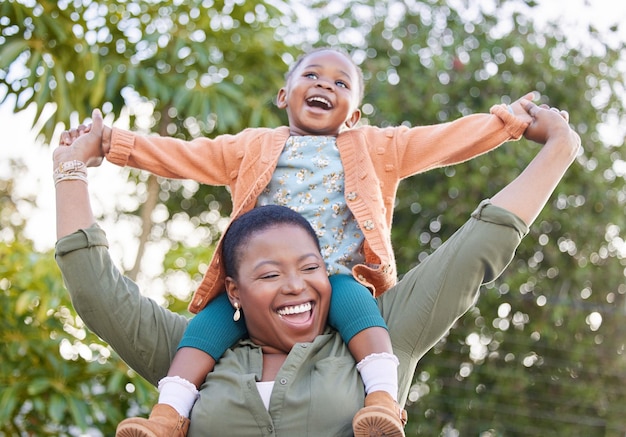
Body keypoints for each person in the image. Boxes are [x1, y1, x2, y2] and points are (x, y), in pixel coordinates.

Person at [61, 46, 537, 437]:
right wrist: (112, 144)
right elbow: (185, 155)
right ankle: (167, 418)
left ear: (354, 112)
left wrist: (508, 123)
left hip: (337, 277)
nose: (326, 85)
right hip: (258, 289)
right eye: (312, 75)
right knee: (199, 339)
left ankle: (382, 403)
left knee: (371, 327)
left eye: (341, 83)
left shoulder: (376, 147)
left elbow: (443, 140)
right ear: (284, 93)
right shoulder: (250, 146)